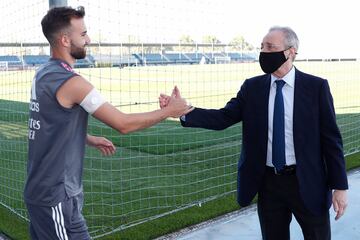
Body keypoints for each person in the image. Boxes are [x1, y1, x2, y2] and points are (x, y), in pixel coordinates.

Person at [160, 26, 348, 240]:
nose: (264, 53)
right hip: (268, 184)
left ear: (291, 52)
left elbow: (331, 140)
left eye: (270, 47)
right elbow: (223, 118)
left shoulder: (316, 87)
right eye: (262, 47)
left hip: (308, 182)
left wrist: (340, 186)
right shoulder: (252, 88)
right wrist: (183, 111)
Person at [24, 6, 191, 240]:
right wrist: (170, 111)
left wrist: (88, 138)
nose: (88, 40)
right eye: (82, 34)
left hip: (40, 192)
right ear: (64, 39)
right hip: (56, 198)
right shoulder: (72, 83)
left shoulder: (43, 73)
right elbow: (123, 123)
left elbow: (49, 125)